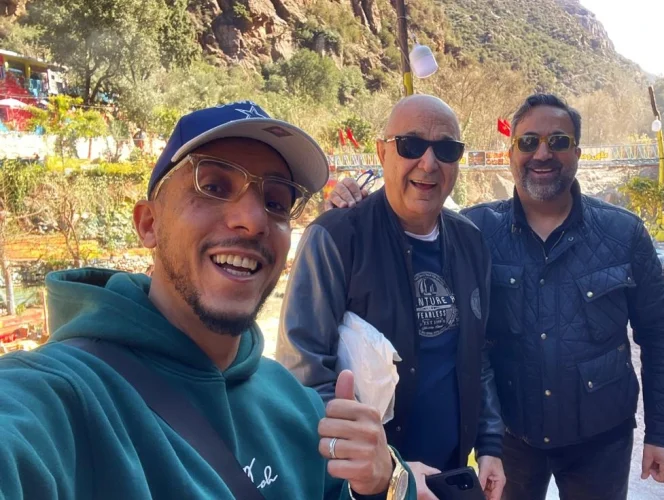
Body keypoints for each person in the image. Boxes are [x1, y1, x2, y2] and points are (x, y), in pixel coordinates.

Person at [0, 101, 414, 500]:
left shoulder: (299, 408)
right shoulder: (61, 398)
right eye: (213, 187)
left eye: (275, 202)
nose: (252, 221)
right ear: (149, 224)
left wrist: (379, 486)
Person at [329, 93, 664, 500]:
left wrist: (663, 433)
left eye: (559, 142)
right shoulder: (474, 232)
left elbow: (661, 335)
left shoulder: (623, 234)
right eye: (529, 141)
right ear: (510, 152)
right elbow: (408, 223)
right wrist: (352, 208)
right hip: (510, 444)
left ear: (578, 153)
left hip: (601, 441)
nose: (542, 153)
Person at [276, 94, 506, 500]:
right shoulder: (336, 238)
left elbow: (479, 353)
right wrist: (388, 467)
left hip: (448, 476)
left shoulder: (471, 242)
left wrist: (489, 445)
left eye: (446, 149)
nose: (429, 163)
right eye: (411, 145)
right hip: (367, 485)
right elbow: (303, 371)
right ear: (382, 152)